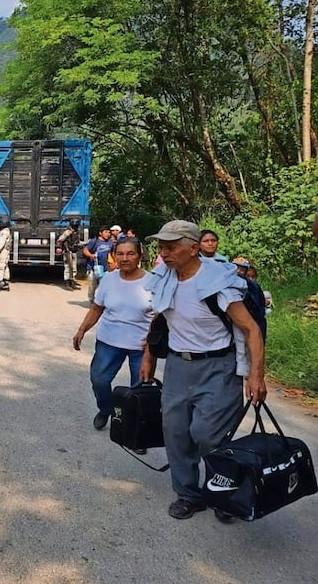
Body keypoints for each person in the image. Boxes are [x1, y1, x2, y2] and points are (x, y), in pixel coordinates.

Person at [141, 220, 266, 522]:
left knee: (207, 434)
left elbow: (250, 329)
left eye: (171, 247)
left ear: (194, 248)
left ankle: (224, 494)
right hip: (178, 366)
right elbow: (160, 322)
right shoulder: (164, 279)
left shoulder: (217, 282)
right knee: (176, 433)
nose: (164, 253)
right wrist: (148, 358)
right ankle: (188, 494)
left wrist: (255, 375)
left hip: (218, 367)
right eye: (161, 247)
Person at [73, 238, 154, 431]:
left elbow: (161, 318)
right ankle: (106, 409)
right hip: (109, 342)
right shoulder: (109, 279)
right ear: (114, 256)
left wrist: (151, 347)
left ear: (140, 256)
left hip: (141, 346)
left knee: (140, 389)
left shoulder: (153, 282)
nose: (125, 258)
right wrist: (82, 329)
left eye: (130, 253)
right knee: (99, 380)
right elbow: (97, 308)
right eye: (120, 254)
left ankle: (136, 429)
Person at [82, 226, 114, 304]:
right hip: (93, 268)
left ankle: (102, 302)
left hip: (105, 269)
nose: (108, 234)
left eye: (109, 232)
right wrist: (90, 255)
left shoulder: (110, 243)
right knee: (92, 286)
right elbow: (85, 250)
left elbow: (113, 253)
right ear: (100, 233)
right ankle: (91, 300)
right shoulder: (94, 241)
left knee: (104, 286)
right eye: (105, 232)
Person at [57, 219, 81, 290]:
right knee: (68, 267)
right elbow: (60, 240)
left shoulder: (76, 233)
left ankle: (72, 283)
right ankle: (67, 283)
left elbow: (77, 242)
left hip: (74, 252)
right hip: (67, 252)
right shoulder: (67, 232)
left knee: (74, 268)